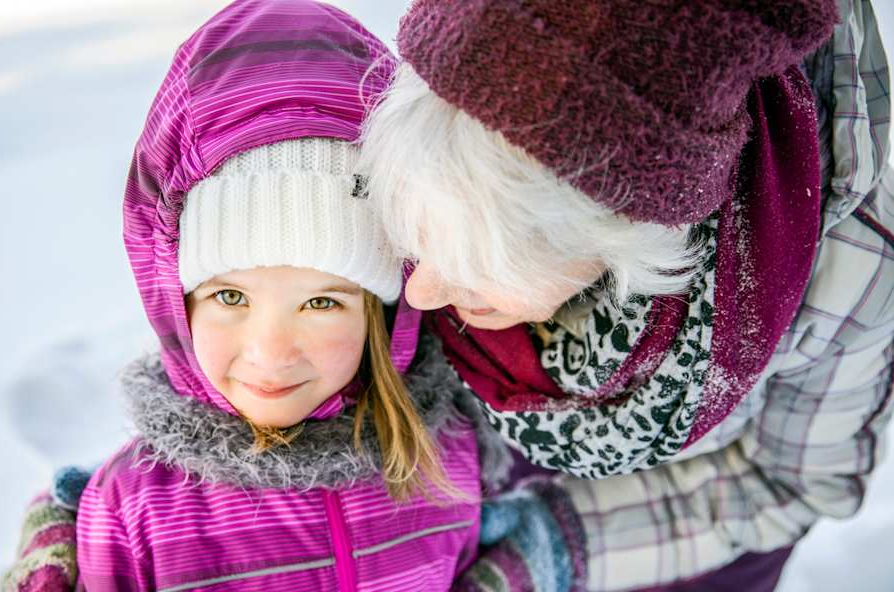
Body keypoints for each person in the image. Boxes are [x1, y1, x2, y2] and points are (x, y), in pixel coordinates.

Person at [357, 1, 893, 591]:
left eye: (481, 264)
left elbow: (791, 482)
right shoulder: (437, 148)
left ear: (627, 230)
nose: (423, 291)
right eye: (420, 240)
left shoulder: (847, 270)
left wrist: (550, 549)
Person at [1, 1, 499, 590]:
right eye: (232, 297)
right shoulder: (135, 513)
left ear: (384, 311)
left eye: (321, 303)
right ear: (178, 302)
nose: (270, 351)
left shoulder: (448, 456)